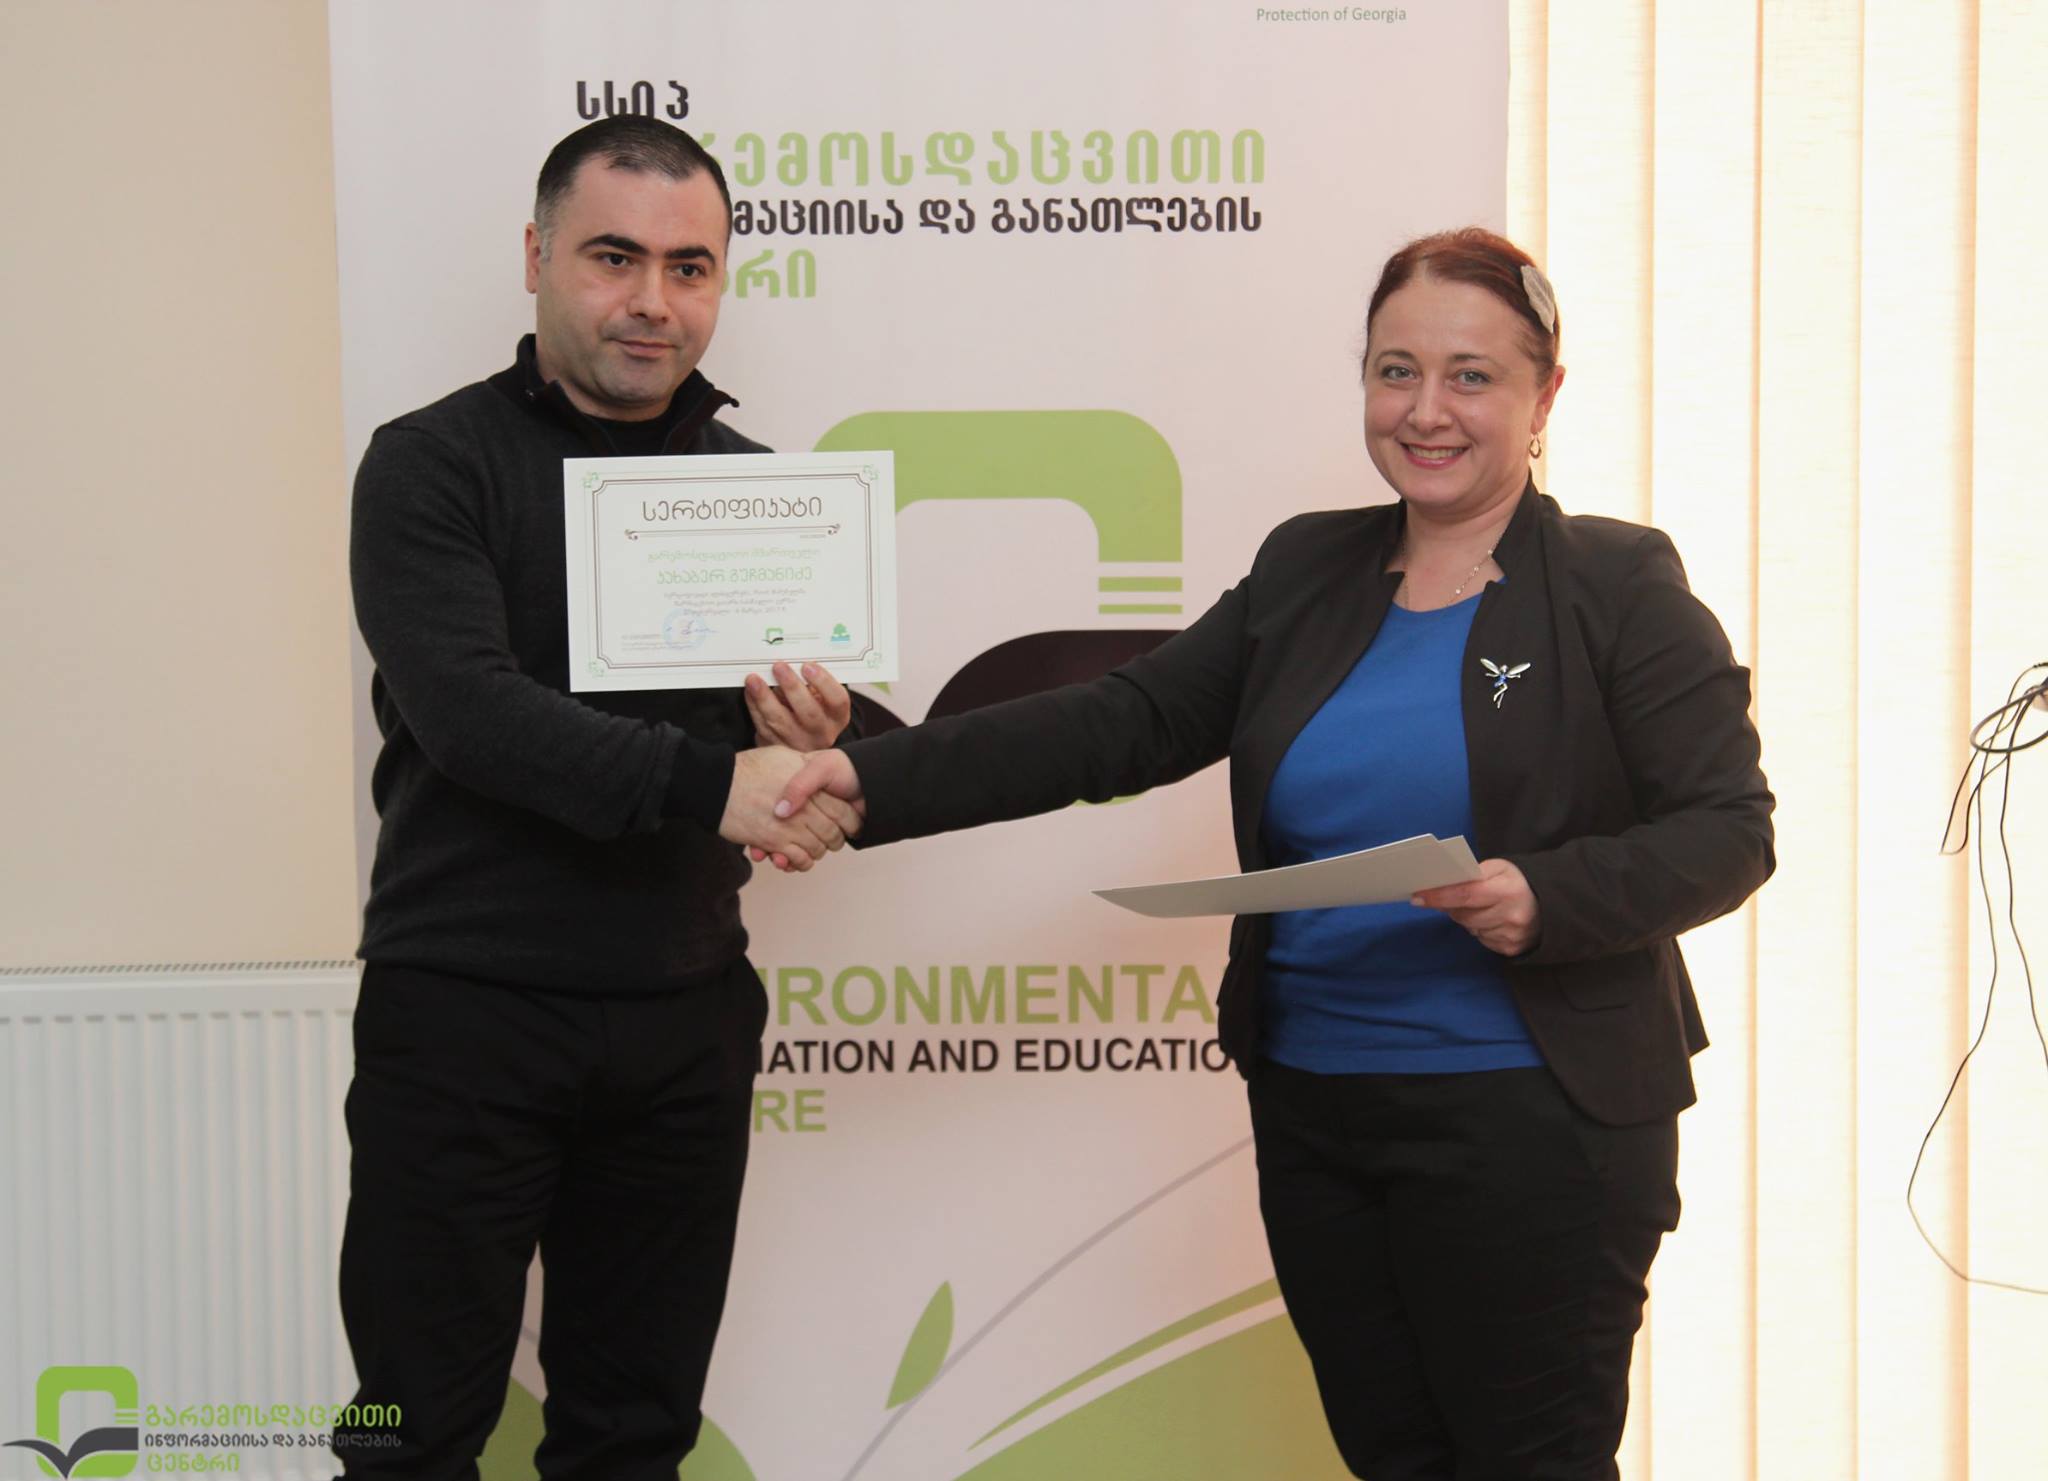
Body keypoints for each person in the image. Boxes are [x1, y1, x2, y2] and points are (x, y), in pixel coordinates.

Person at [772, 228, 1775, 1479]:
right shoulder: (1306, 567)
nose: (1424, 410)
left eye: (1469, 376)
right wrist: (867, 778)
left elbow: (1728, 826)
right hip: (1318, 1109)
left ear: (1543, 396)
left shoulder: (1614, 583)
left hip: (1533, 1120)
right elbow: (1122, 719)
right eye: (1394, 370)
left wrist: (1548, 892)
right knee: (1389, 1457)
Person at [339, 114, 861, 1479]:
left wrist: (816, 739)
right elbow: (472, 717)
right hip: (466, 1014)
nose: (652, 301)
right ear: (536, 257)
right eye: (613, 257)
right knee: (409, 1436)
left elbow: (794, 747)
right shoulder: (431, 464)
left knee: (633, 1439)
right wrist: (721, 784)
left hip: (684, 1018)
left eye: (690, 267)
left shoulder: (758, 495)